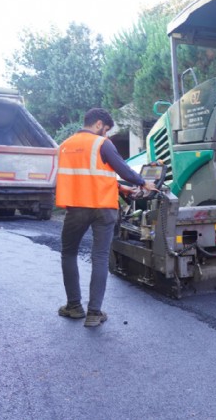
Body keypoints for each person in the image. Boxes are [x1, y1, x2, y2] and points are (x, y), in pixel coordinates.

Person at [55, 108, 158, 327]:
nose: (106, 135)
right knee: (100, 256)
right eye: (106, 130)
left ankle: (74, 306)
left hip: (76, 208)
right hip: (103, 207)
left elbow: (86, 177)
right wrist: (142, 183)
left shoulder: (64, 147)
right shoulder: (101, 144)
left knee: (68, 253)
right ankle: (94, 313)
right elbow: (123, 169)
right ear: (99, 124)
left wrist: (121, 188)